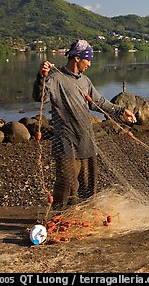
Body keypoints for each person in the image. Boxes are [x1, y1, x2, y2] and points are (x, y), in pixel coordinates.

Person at [33, 39, 137, 209]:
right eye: (88, 59)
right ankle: (59, 217)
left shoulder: (85, 81)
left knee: (89, 186)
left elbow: (99, 102)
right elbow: (40, 97)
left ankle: (84, 215)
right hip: (66, 142)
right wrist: (40, 77)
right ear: (77, 58)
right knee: (66, 183)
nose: (89, 63)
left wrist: (120, 111)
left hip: (86, 140)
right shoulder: (56, 78)